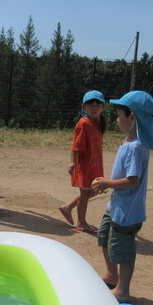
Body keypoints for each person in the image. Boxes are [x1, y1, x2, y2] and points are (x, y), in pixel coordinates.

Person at [91, 91, 153, 303]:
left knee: (123, 249)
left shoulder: (137, 147)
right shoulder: (129, 141)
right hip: (116, 206)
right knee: (104, 237)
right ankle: (112, 275)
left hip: (128, 212)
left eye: (120, 114)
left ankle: (123, 290)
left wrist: (107, 184)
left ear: (133, 117)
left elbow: (132, 180)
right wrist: (107, 182)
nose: (117, 119)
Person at [58, 90, 106, 233]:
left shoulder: (99, 122)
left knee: (95, 190)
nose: (94, 106)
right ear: (84, 107)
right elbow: (75, 146)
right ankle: (81, 223)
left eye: (98, 104)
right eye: (90, 103)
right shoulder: (83, 123)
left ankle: (67, 207)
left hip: (95, 164)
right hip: (84, 165)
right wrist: (72, 162)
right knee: (85, 193)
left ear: (103, 107)